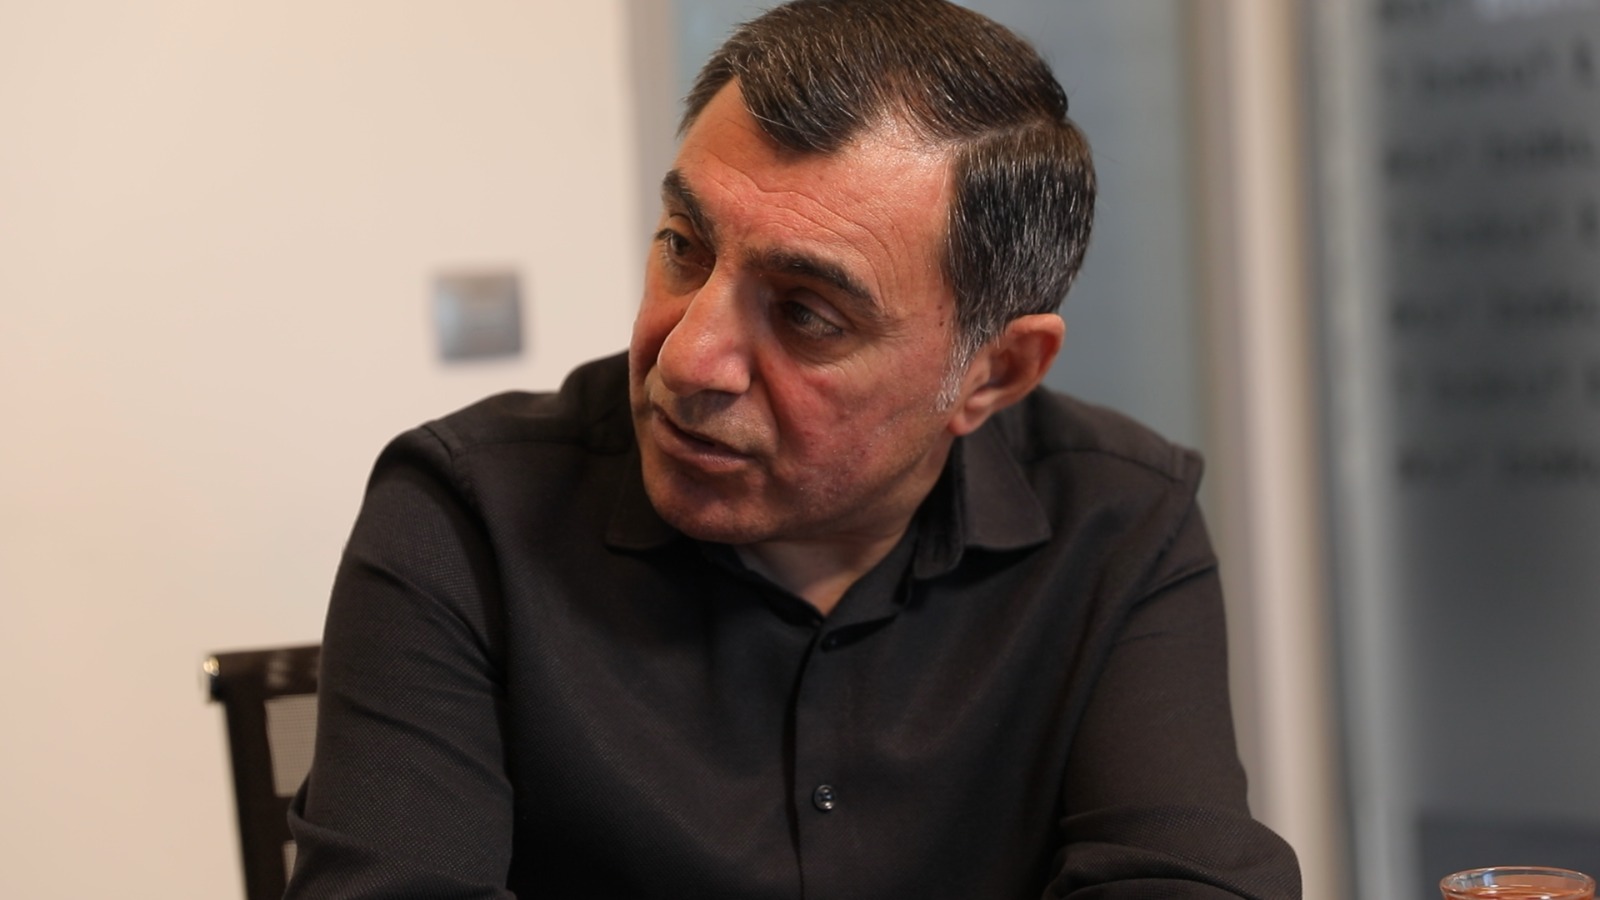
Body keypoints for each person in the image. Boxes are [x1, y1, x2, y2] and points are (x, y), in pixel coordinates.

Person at [285, 0, 1302, 897]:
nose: (687, 360)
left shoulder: (1118, 522)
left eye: (807, 314)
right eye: (683, 248)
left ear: (993, 374)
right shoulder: (468, 515)